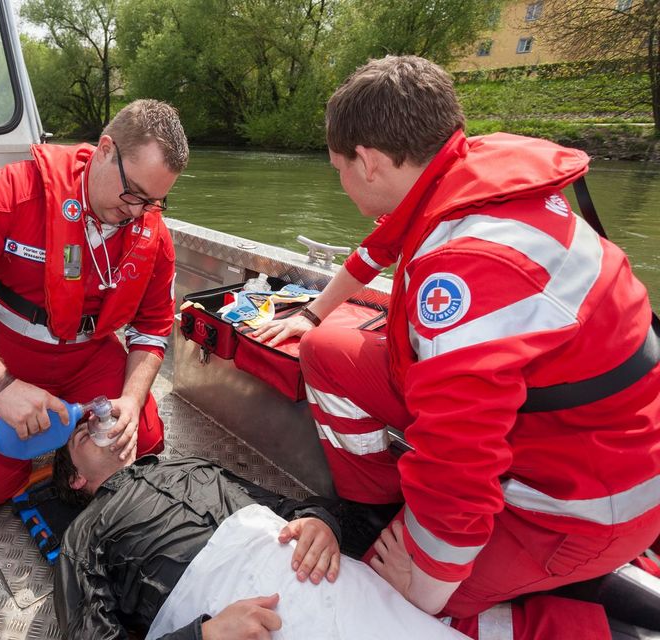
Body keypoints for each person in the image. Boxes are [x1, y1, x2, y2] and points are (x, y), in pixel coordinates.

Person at [253, 54, 660, 625]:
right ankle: (371, 505)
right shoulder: (464, 170)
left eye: (337, 169)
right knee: (326, 351)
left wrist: (414, 593)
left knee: (396, 601)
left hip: (579, 496)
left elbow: (460, 464)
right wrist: (314, 316)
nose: (339, 182)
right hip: (563, 423)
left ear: (366, 163)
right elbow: (382, 248)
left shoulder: (465, 270)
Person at [51, 425, 607, 640]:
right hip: (233, 608)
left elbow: (293, 504)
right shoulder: (83, 535)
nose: (101, 422)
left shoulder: (186, 465)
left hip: (315, 566)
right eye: (82, 433)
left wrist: (322, 521)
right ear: (76, 477)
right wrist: (205, 636)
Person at [0, 100, 187, 507]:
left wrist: (132, 401)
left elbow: (153, 328)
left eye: (153, 201)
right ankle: (42, 433)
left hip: (89, 356)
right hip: (5, 355)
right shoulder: (13, 192)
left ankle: (64, 437)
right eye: (132, 192)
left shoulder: (152, 236)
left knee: (146, 445)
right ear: (105, 149)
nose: (136, 211)